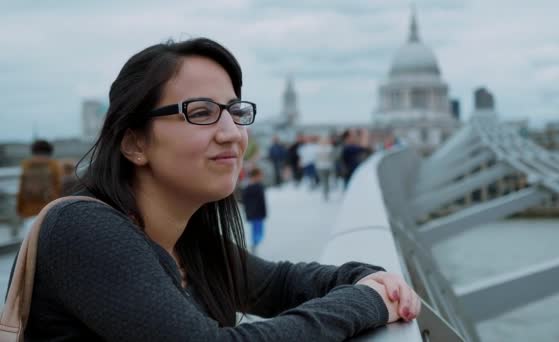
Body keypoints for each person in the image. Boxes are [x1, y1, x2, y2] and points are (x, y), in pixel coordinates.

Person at [11, 37, 420, 340]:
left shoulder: (187, 240)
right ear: (134, 143)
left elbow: (279, 283)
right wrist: (366, 301)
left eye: (236, 111)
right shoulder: (82, 230)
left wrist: (368, 276)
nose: (233, 134)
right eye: (201, 113)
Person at [16, 139, 62, 223]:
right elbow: (58, 188)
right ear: (50, 152)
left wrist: (19, 210)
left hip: (28, 210)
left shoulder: (26, 165)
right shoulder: (53, 165)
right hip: (49, 210)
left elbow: (21, 190)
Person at [241, 167, 267, 254]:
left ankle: (255, 244)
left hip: (258, 213)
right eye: (260, 176)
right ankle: (254, 244)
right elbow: (244, 201)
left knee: (259, 232)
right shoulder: (249, 188)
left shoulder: (258, 186)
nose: (261, 178)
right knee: (257, 231)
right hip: (254, 213)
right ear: (255, 176)